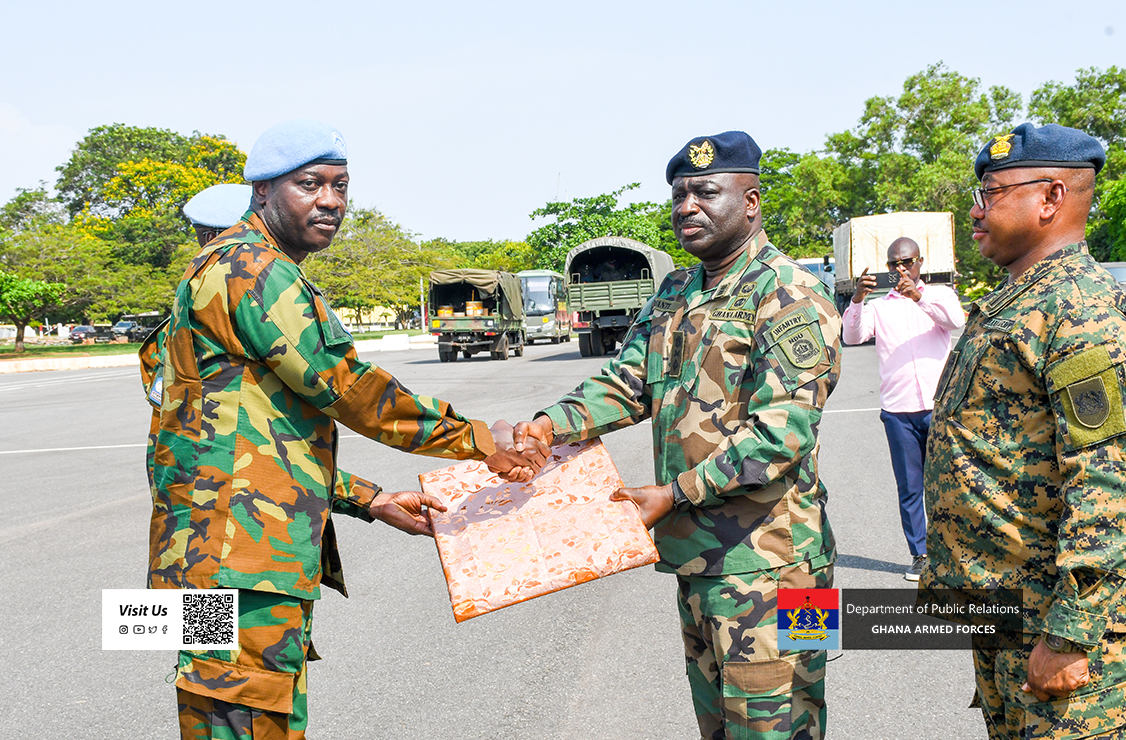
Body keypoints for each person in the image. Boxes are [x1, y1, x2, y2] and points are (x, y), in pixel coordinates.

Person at [141, 120, 546, 740]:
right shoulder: (253, 269)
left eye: (341, 186)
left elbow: (248, 441)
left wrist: (371, 500)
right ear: (262, 193)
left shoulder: (221, 273)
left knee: (219, 711)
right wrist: (482, 443)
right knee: (249, 718)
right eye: (309, 184)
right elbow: (348, 388)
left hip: (209, 555)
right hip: (243, 563)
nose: (330, 201)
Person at [515, 131, 841, 739]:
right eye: (679, 195)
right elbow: (627, 381)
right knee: (718, 727)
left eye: (706, 193)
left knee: (784, 727)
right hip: (698, 559)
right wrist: (548, 424)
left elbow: (781, 434)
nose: (687, 206)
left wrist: (675, 495)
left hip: (785, 566)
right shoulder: (676, 292)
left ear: (751, 200)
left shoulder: (792, 293)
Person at [921, 123, 1126, 738]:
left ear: (1051, 198)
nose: (975, 211)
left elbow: (1107, 482)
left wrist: (1071, 632)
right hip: (1006, 619)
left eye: (991, 192)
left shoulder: (1080, 312)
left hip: (1059, 630)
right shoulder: (1017, 301)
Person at [841, 237, 964, 581]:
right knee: (910, 487)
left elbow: (954, 321)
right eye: (894, 264)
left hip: (940, 407)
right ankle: (920, 554)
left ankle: (953, 551)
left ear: (919, 262)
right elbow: (853, 336)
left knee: (949, 482)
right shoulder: (880, 306)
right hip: (898, 412)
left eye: (907, 262)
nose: (900, 269)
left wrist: (918, 296)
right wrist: (858, 298)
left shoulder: (939, 295)